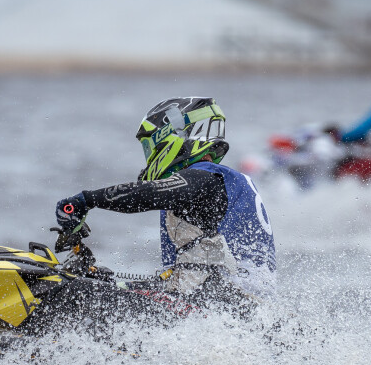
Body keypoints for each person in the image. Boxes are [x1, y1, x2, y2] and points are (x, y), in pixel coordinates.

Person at [53, 97, 276, 304]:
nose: (148, 157)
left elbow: (150, 193)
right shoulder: (204, 186)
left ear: (174, 139)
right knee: (92, 288)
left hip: (229, 302)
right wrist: (105, 280)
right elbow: (179, 281)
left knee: (73, 295)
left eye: (149, 147)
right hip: (226, 303)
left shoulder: (206, 176)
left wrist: (86, 200)